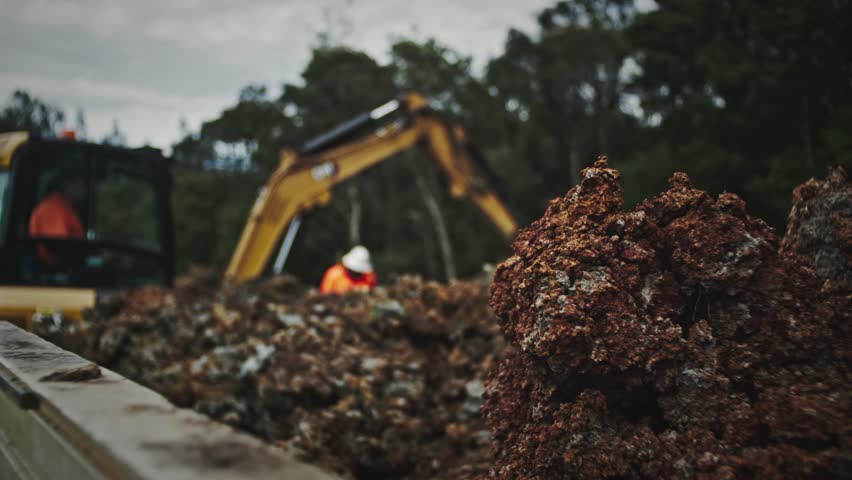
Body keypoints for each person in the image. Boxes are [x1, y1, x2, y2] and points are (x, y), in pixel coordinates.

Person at [29, 175, 86, 265]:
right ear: (68, 185)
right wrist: (86, 257)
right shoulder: (53, 207)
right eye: (81, 186)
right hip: (54, 270)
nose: (84, 192)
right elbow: (57, 245)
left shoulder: (65, 206)